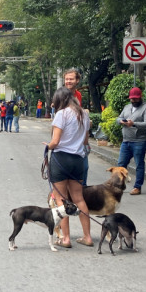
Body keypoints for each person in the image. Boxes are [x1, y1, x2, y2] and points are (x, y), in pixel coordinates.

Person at [44, 87, 92, 248]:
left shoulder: (61, 114)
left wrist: (47, 146)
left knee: (60, 199)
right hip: (78, 159)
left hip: (61, 160)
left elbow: (55, 141)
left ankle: (66, 239)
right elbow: (85, 141)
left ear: (60, 100)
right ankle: (87, 237)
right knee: (79, 198)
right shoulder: (84, 114)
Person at [116, 87, 146, 196]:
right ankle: (119, 185)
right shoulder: (127, 107)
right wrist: (121, 121)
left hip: (139, 141)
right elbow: (118, 118)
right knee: (121, 164)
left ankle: (137, 187)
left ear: (140, 97)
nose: (133, 101)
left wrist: (134, 123)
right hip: (126, 140)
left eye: (136, 99)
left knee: (139, 165)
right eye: (132, 99)